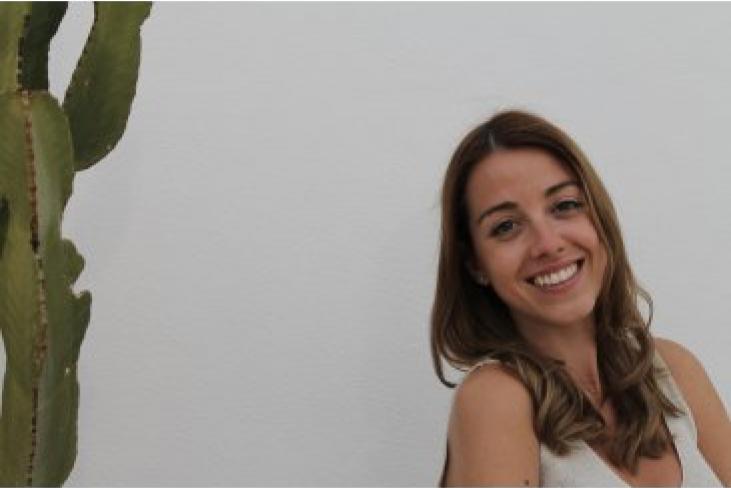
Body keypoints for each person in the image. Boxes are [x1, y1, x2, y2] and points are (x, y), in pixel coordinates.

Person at [430, 109, 730, 487]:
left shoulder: (672, 371)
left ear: (597, 217)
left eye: (564, 206)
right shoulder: (496, 399)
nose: (548, 243)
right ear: (475, 263)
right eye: (506, 226)